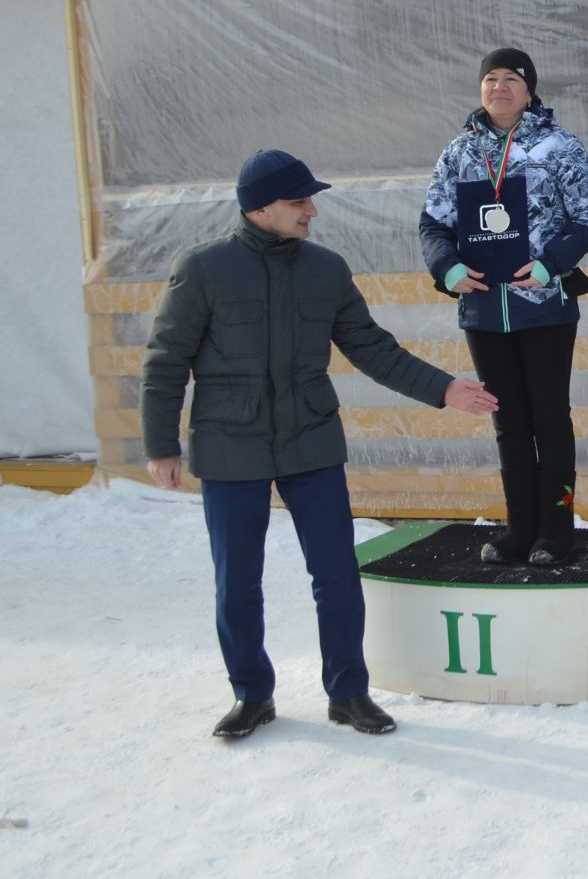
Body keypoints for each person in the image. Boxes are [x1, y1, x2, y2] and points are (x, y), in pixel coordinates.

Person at [142, 150, 499, 740]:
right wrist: (161, 445)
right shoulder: (204, 269)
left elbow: (373, 348)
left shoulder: (326, 270)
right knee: (237, 581)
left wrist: (444, 390)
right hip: (231, 446)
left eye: (311, 199)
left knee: (336, 573)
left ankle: (349, 693)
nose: (312, 211)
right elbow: (165, 362)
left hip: (311, 442)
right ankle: (251, 695)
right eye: (299, 201)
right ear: (260, 207)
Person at [420, 49, 588, 565]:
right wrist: (449, 270)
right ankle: (519, 528)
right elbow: (433, 224)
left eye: (511, 79)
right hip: (484, 312)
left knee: (549, 420)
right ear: (480, 88)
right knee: (507, 422)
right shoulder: (459, 152)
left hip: (544, 306)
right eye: (490, 78)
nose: (499, 87)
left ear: (529, 91)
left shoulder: (558, 147)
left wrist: (552, 263)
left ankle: (557, 529)